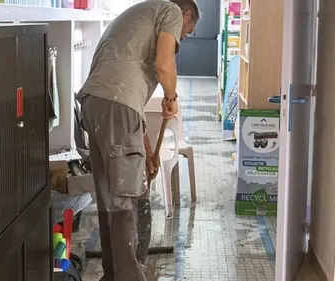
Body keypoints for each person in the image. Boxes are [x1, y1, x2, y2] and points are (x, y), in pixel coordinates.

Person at [76, 0, 200, 280]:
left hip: (95, 105)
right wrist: (171, 97)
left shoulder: (138, 17)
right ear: (187, 14)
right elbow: (164, 65)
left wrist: (147, 151)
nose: (182, 38)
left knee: (110, 199)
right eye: (187, 32)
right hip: (116, 108)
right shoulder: (170, 10)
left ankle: (113, 275)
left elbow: (123, 106)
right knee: (128, 200)